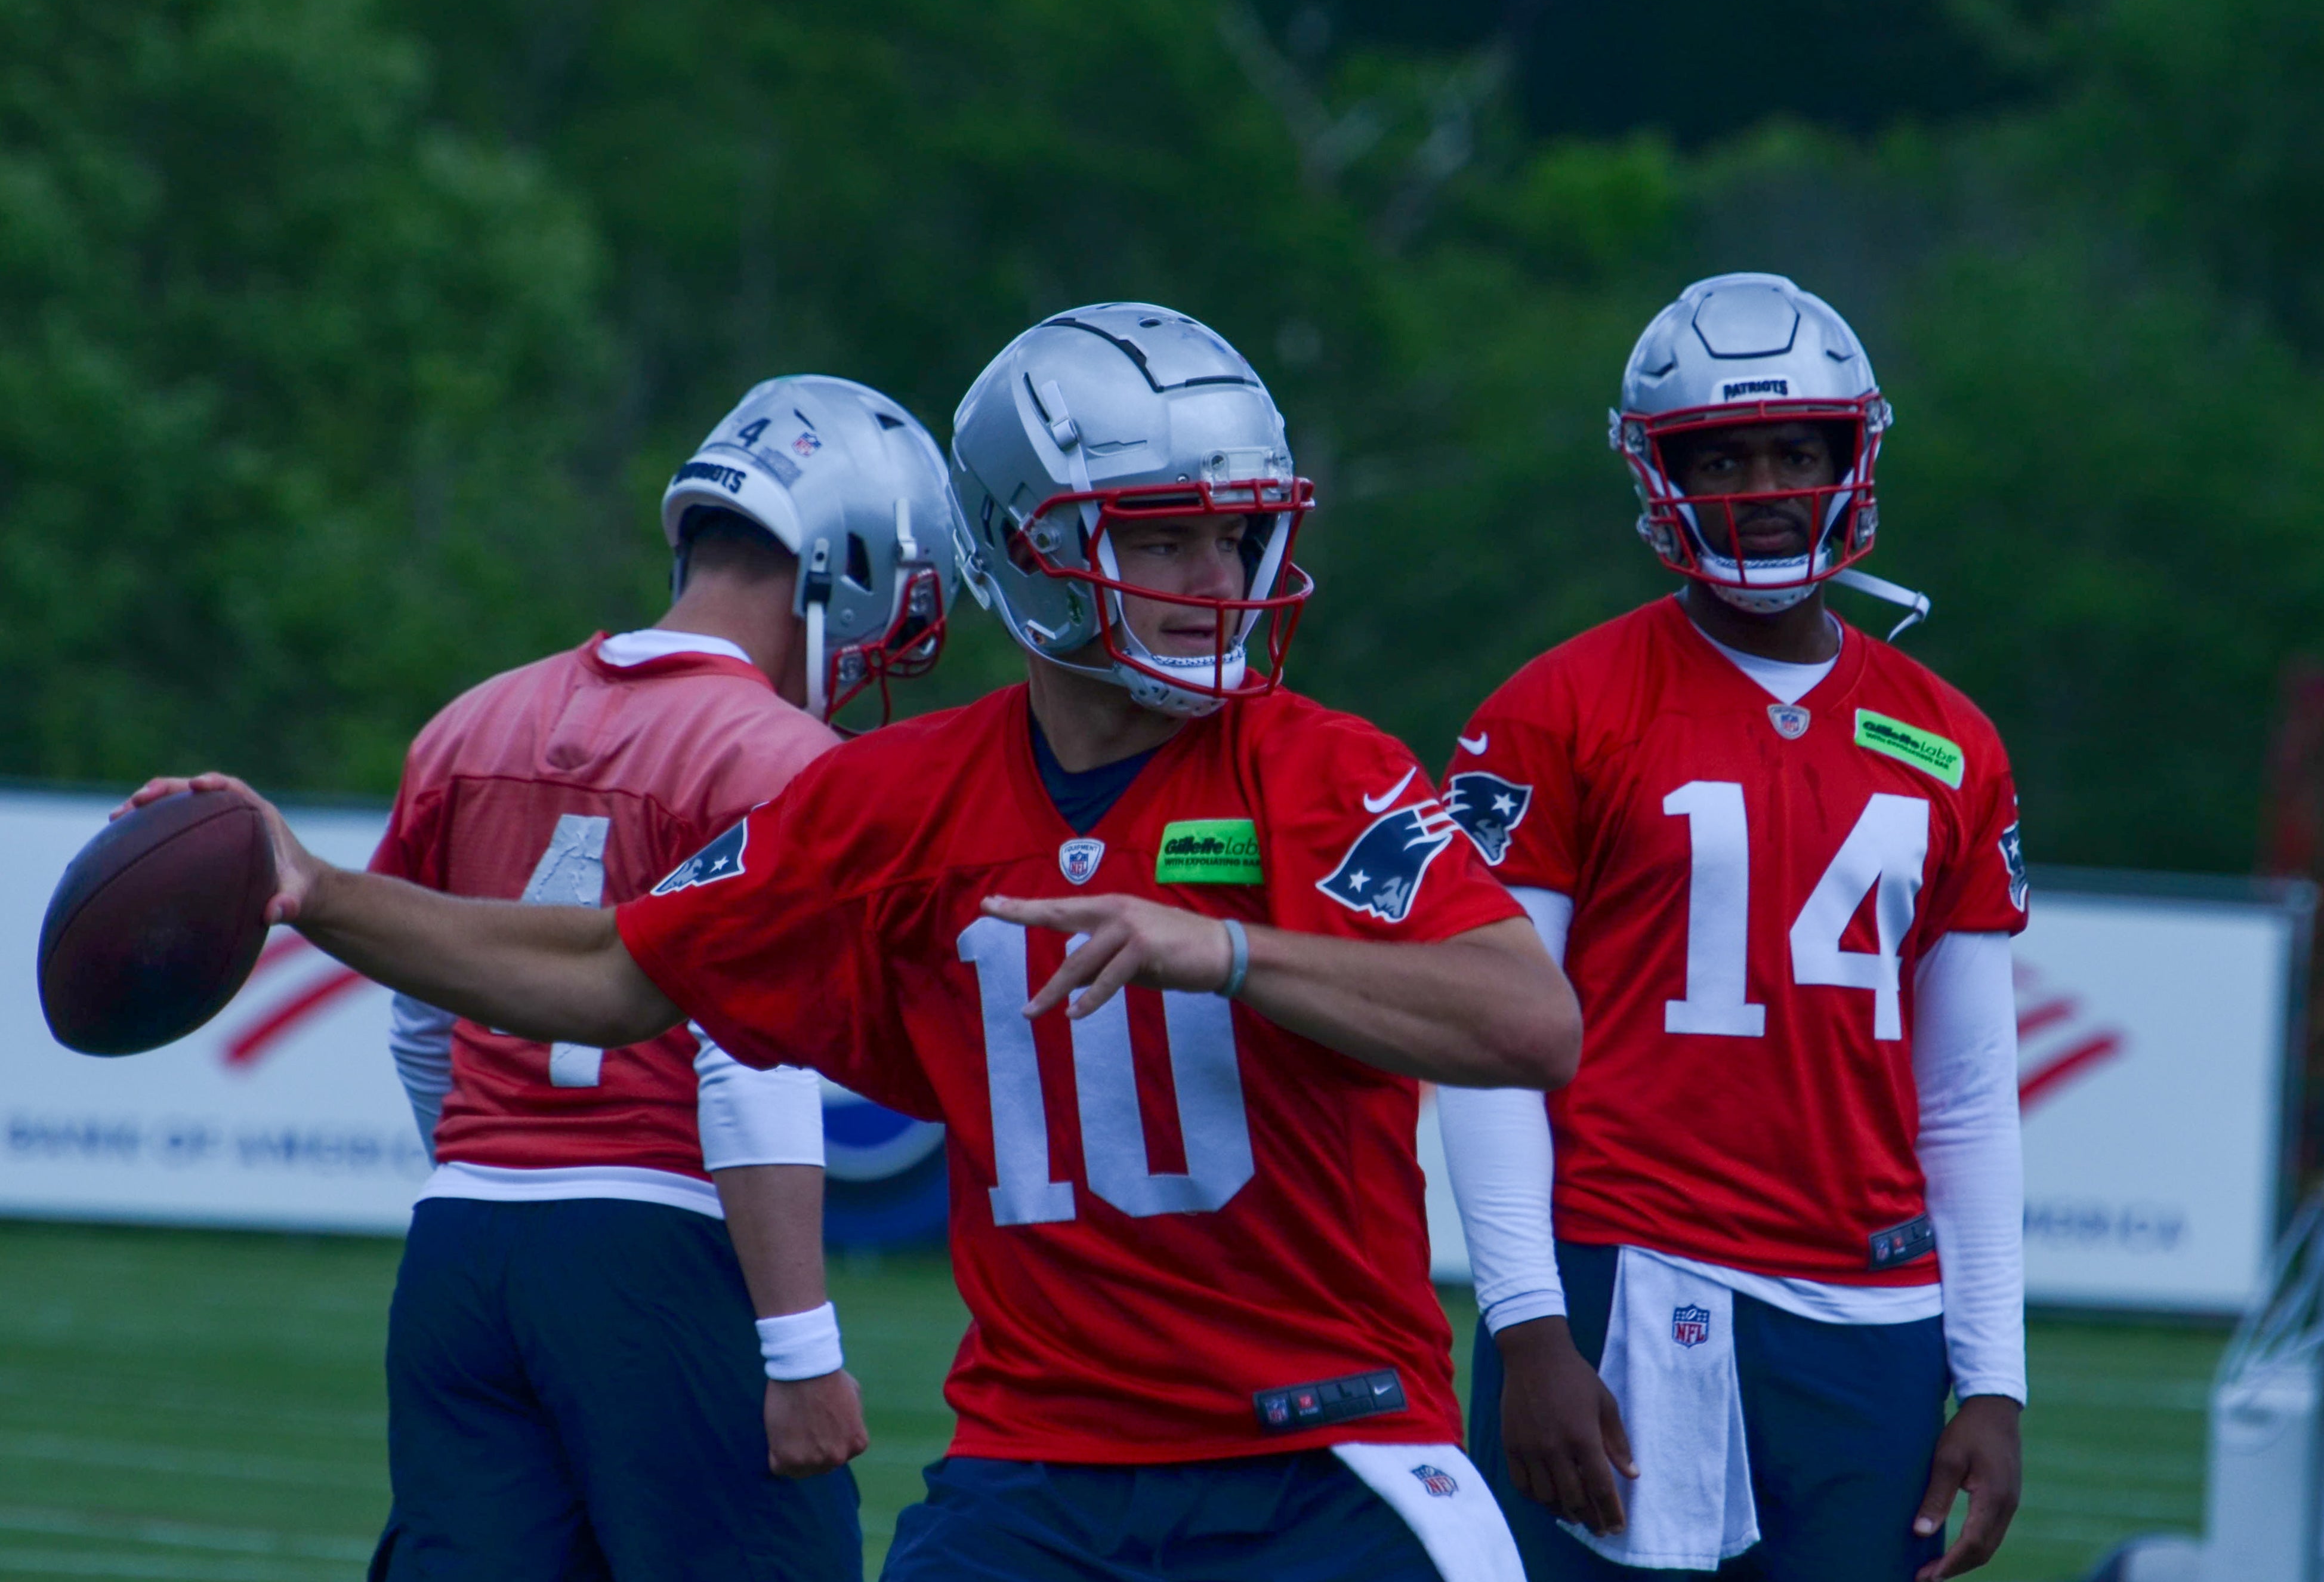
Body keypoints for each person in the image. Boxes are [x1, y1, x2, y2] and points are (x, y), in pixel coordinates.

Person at [133, 305, 1581, 1582]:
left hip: (1322, 1453)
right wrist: (313, 890)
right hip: (1037, 1466)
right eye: (1164, 535)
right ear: (1036, 541)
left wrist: (1228, 954)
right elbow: (610, 970)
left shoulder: (1322, 771)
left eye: (1234, 533)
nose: (1215, 575)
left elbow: (1525, 1020)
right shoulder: (888, 797)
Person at [1435, 273, 2027, 1581]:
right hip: (1630, 1271)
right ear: (1661, 472)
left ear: (1852, 459)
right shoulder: (1556, 709)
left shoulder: (1951, 738)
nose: (1764, 484)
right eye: (1726, 454)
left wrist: (1994, 1377)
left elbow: (1969, 1094)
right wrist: (1530, 1325)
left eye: (1797, 450)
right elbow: (1485, 1039)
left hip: (1870, 1306)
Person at [365, 374, 961, 1581]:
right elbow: (753, 1060)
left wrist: (488, 1174)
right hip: (666, 1253)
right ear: (842, 565)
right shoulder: (783, 758)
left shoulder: (471, 721)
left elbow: (419, 1012)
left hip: (460, 1254)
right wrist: (800, 1350)